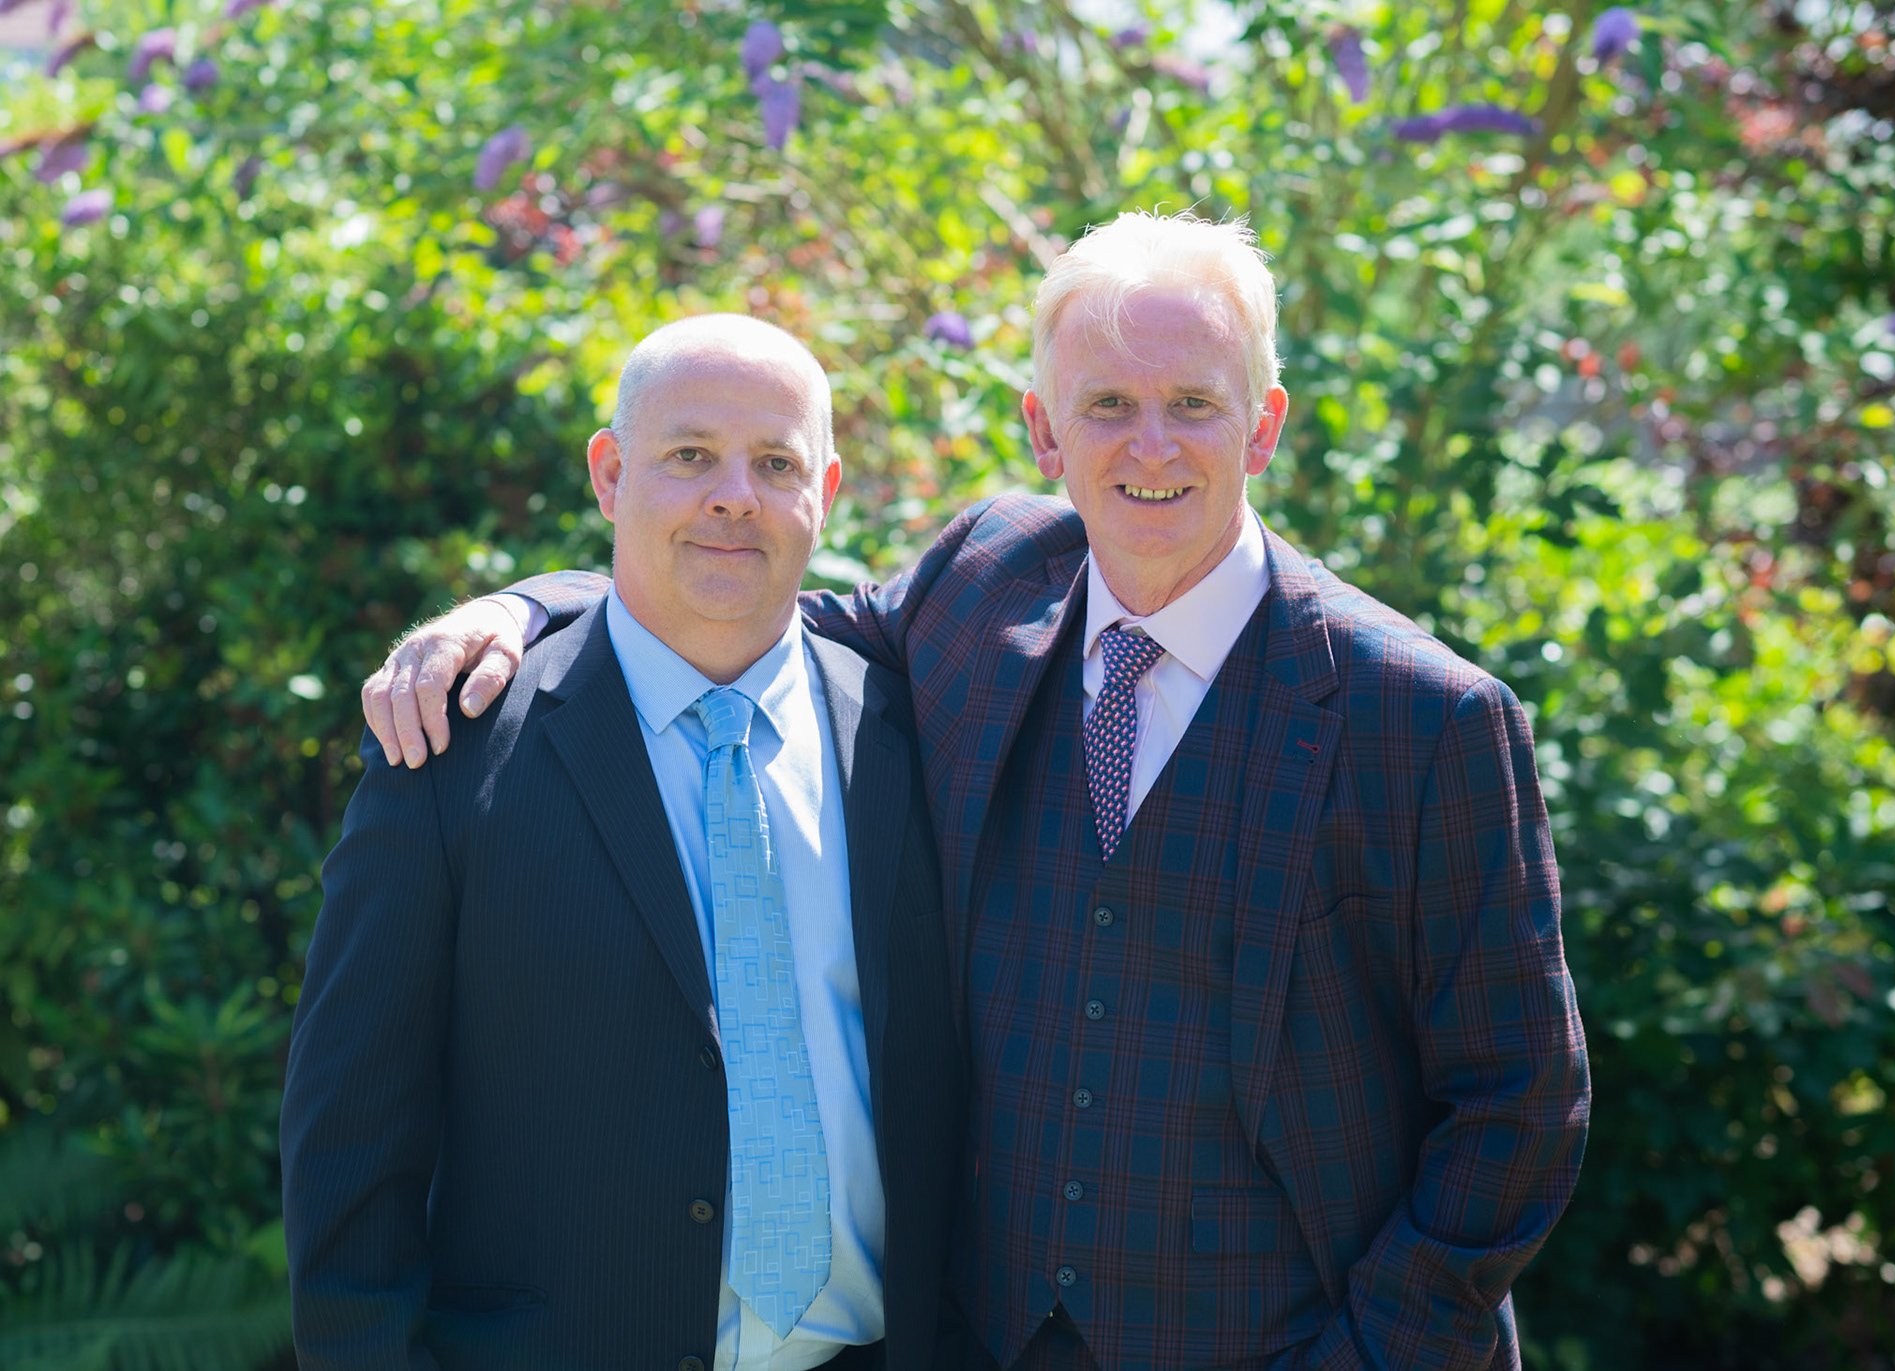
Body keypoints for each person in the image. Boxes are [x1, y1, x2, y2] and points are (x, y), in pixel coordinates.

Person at [364, 213, 1590, 1371]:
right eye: (1106, 406)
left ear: (1262, 427)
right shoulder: (985, 584)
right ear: (1044, 433)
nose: (1150, 446)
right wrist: (530, 605)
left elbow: (1519, 1107)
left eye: (1192, 405)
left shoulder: (1421, 721)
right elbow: (737, 596)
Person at [283, 315, 965, 1371]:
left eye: (775, 463)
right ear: (610, 474)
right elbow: (350, 1141)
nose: (734, 495)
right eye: (689, 455)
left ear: (825, 490)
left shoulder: (914, 731)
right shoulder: (452, 756)